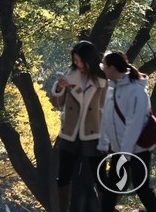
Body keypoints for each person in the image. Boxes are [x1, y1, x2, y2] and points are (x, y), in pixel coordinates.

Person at [96, 50, 156, 212]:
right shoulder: (112, 89)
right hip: (120, 149)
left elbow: (136, 124)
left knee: (141, 187)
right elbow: (107, 119)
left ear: (112, 67)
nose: (102, 68)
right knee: (112, 189)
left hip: (138, 149)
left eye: (104, 65)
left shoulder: (137, 91)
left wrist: (125, 153)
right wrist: (104, 144)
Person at [48, 41, 107, 212]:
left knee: (100, 176)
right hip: (70, 134)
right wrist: (59, 87)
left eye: (80, 60)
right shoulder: (69, 74)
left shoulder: (102, 79)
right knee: (64, 177)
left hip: (94, 134)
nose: (77, 64)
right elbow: (56, 101)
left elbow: (106, 108)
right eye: (75, 60)